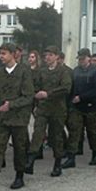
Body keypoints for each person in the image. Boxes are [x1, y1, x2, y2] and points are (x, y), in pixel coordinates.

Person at [0, 42, 34, 191]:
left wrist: (11, 105)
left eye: (4, 54)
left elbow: (28, 96)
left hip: (19, 118)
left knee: (19, 149)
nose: (1, 57)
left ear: (12, 54)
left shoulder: (24, 72)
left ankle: (19, 176)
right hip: (2, 118)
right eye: (0, 54)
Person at [26, 45, 72, 177]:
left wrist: (48, 93)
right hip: (43, 109)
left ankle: (57, 164)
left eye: (50, 55)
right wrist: (35, 98)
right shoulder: (42, 71)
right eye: (46, 55)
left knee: (56, 136)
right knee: (37, 134)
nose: (47, 57)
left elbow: (66, 88)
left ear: (57, 57)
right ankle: (30, 161)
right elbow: (35, 87)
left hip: (57, 109)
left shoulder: (63, 72)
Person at [63, 48, 96, 168]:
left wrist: (82, 97)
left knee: (92, 132)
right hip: (77, 106)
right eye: (79, 59)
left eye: (83, 58)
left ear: (88, 58)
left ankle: (95, 154)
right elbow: (71, 87)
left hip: (91, 106)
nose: (80, 61)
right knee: (74, 131)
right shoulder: (75, 71)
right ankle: (71, 157)